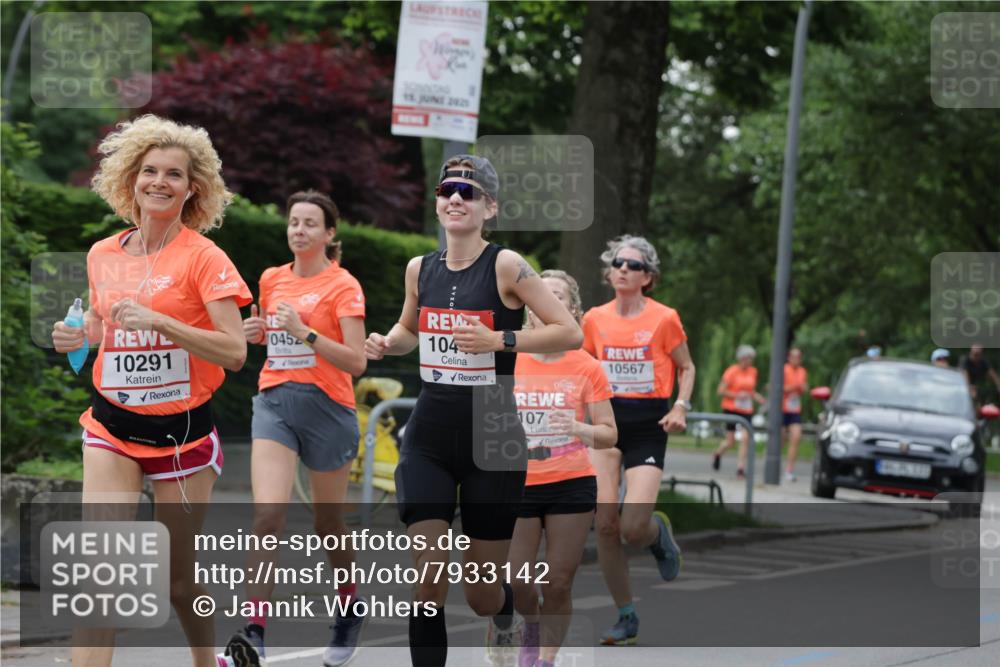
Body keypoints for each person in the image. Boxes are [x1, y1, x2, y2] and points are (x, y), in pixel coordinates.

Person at [364, 155, 582, 667]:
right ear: (438, 203)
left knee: (480, 594)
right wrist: (386, 342)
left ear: (490, 207)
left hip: (493, 434)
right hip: (430, 435)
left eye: (469, 192)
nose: (456, 198)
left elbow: (569, 331)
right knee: (429, 568)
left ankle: (503, 612)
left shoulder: (506, 265)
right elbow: (408, 330)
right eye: (447, 191)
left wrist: (499, 338)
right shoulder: (420, 268)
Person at [50, 115, 251, 667]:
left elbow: (234, 351)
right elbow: (98, 329)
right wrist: (75, 336)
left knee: (179, 583)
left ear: (193, 190)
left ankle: (208, 661)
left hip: (182, 437)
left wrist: (164, 325)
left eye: (174, 174)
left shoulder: (204, 258)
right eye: (149, 171)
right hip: (112, 427)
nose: (159, 182)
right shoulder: (102, 254)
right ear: (129, 178)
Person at [223, 191, 368, 667]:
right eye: (293, 223)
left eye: (310, 224)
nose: (299, 231)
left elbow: (356, 361)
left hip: (329, 408)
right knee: (267, 517)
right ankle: (254, 629)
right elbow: (268, 332)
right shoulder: (270, 278)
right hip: (275, 403)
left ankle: (349, 606)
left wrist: (305, 330)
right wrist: (256, 332)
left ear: (329, 234)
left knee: (328, 525)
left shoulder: (343, 284)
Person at [581, 235, 694, 646]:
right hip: (605, 423)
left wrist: (680, 406)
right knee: (605, 524)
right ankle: (626, 615)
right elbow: (583, 368)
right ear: (609, 272)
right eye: (617, 262)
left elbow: (687, 367)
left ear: (649, 277)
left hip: (649, 423)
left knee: (631, 527)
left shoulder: (665, 319)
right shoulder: (593, 318)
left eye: (634, 264)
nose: (624, 269)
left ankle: (655, 535)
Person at [507, 270, 617, 667]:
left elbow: (609, 434)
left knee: (558, 581)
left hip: (571, 483)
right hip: (518, 484)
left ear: (572, 311)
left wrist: (576, 427)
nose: (548, 304)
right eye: (541, 297)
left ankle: (546, 659)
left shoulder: (587, 366)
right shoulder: (509, 360)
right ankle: (530, 628)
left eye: (559, 298)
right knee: (518, 582)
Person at [712, 345, 765, 478]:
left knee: (746, 438)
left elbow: (750, 390)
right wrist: (736, 395)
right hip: (731, 408)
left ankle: (740, 468)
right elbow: (720, 391)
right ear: (741, 358)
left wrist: (757, 396)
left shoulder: (753, 371)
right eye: (747, 358)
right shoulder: (731, 371)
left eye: (751, 359)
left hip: (746, 409)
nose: (749, 361)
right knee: (730, 442)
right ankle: (718, 453)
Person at [781, 347, 809, 482]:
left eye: (798, 357)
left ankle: (789, 470)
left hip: (795, 409)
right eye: (794, 357)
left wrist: (803, 388)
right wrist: (793, 387)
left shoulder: (803, 371)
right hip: (782, 408)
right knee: (781, 439)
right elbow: (777, 387)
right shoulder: (784, 369)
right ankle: (773, 462)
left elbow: (804, 388)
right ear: (789, 357)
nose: (796, 360)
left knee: (796, 437)